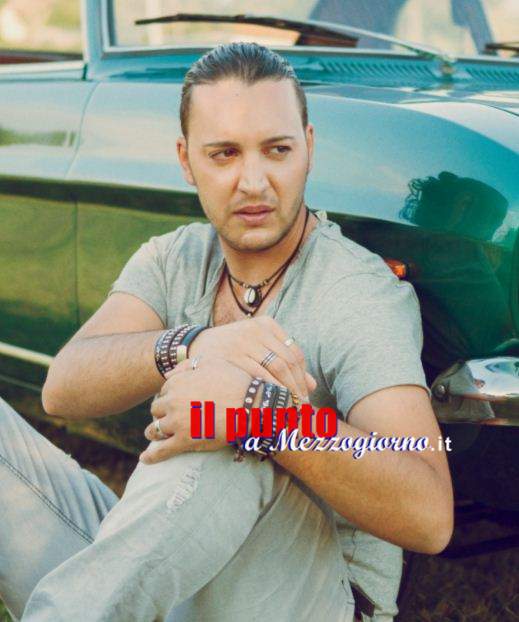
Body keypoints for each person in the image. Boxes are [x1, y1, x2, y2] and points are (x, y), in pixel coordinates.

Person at [0, 42, 453, 622]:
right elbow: (63, 388)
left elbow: (429, 513)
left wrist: (260, 412)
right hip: (169, 575)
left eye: (277, 150)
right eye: (224, 154)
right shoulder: (175, 258)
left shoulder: (355, 291)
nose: (253, 181)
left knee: (227, 418)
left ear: (308, 149)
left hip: (311, 601)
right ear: (187, 160)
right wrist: (190, 345)